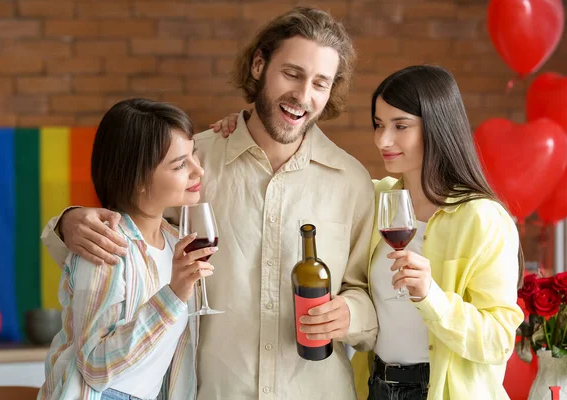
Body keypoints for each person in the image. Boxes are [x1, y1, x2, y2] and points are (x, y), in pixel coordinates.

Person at [41, 7, 378, 400]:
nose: (303, 95)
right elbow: (125, 237)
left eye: (320, 83)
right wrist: (68, 221)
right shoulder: (194, 161)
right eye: (292, 73)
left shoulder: (352, 181)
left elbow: (369, 293)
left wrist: (352, 313)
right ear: (259, 65)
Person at [213, 64, 525, 400]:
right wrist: (249, 124)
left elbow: (498, 342)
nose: (383, 140)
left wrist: (430, 295)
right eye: (378, 125)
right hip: (374, 387)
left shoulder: (482, 219)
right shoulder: (378, 198)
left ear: (437, 127)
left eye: (400, 126)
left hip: (440, 391)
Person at [38, 98, 215, 400]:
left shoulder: (175, 241)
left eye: (193, 155)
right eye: (180, 164)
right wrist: (172, 297)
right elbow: (95, 366)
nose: (198, 170)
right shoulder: (106, 245)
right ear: (139, 179)